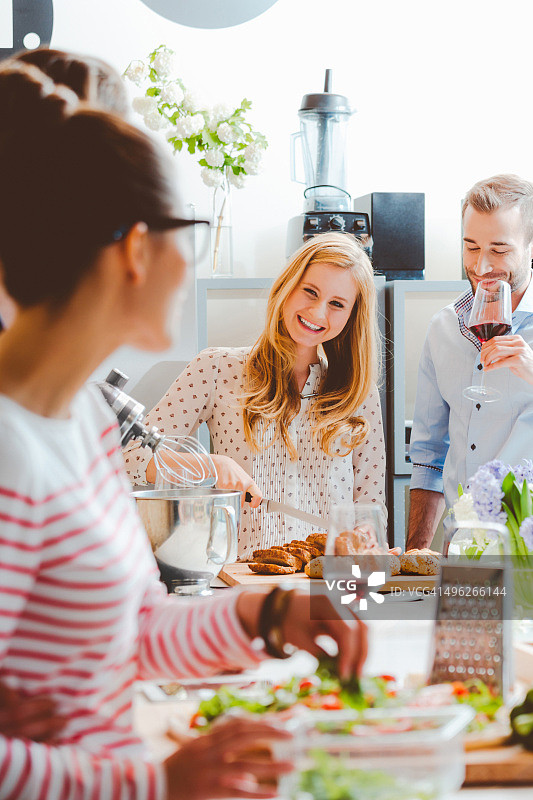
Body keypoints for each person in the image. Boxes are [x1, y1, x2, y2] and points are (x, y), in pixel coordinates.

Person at [0, 60, 368, 799]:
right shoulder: (10, 452)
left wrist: (267, 613)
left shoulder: (81, 422)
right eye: (191, 234)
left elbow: (130, 631)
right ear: (135, 249)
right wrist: (155, 783)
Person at [124, 233, 386, 559]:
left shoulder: (359, 394)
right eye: (310, 291)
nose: (318, 313)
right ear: (287, 286)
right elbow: (129, 457)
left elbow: (369, 506)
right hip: (239, 577)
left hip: (327, 579)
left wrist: (365, 538)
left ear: (351, 316)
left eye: (337, 304)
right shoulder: (216, 368)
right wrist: (210, 466)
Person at [407, 174, 533, 550]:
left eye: (499, 249)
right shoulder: (443, 328)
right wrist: (417, 552)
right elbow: (429, 453)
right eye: (471, 246)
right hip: (463, 551)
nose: (481, 266)